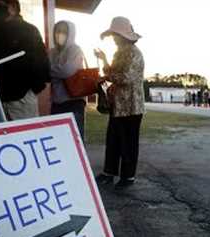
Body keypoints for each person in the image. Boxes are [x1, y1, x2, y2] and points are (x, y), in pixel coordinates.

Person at [94, 17, 145, 187]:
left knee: (128, 144)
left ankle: (127, 177)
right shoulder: (119, 52)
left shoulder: (134, 53)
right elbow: (112, 72)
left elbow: (126, 78)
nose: (113, 38)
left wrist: (107, 76)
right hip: (118, 105)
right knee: (113, 141)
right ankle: (109, 172)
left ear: (123, 36)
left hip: (131, 106)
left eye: (115, 35)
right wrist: (103, 59)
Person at [0, 0, 50, 120]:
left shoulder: (28, 30)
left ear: (12, 8)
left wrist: (31, 90)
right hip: (0, 99)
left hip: (22, 99)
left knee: (26, 135)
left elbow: (42, 64)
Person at [49, 21, 86, 138]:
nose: (60, 34)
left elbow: (67, 70)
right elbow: (44, 69)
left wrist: (50, 70)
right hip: (57, 102)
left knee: (75, 138)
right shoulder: (51, 52)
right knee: (57, 138)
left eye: (64, 31)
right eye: (57, 31)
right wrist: (56, 70)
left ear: (71, 33)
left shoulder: (75, 50)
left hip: (74, 101)